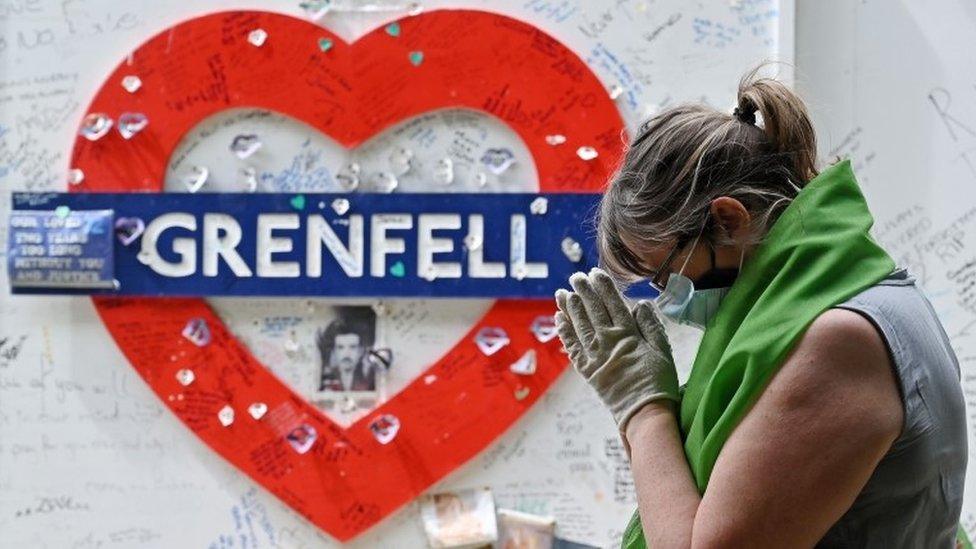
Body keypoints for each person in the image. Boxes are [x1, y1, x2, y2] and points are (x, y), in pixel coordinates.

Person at [554, 62, 969, 548]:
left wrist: (641, 409)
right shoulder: (860, 299)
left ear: (728, 220)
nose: (666, 297)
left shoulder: (840, 341)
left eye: (666, 273)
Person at [316, 319, 375, 392]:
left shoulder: (369, 379)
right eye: (340, 347)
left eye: (352, 347)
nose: (346, 354)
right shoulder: (327, 378)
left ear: (360, 351)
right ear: (334, 351)